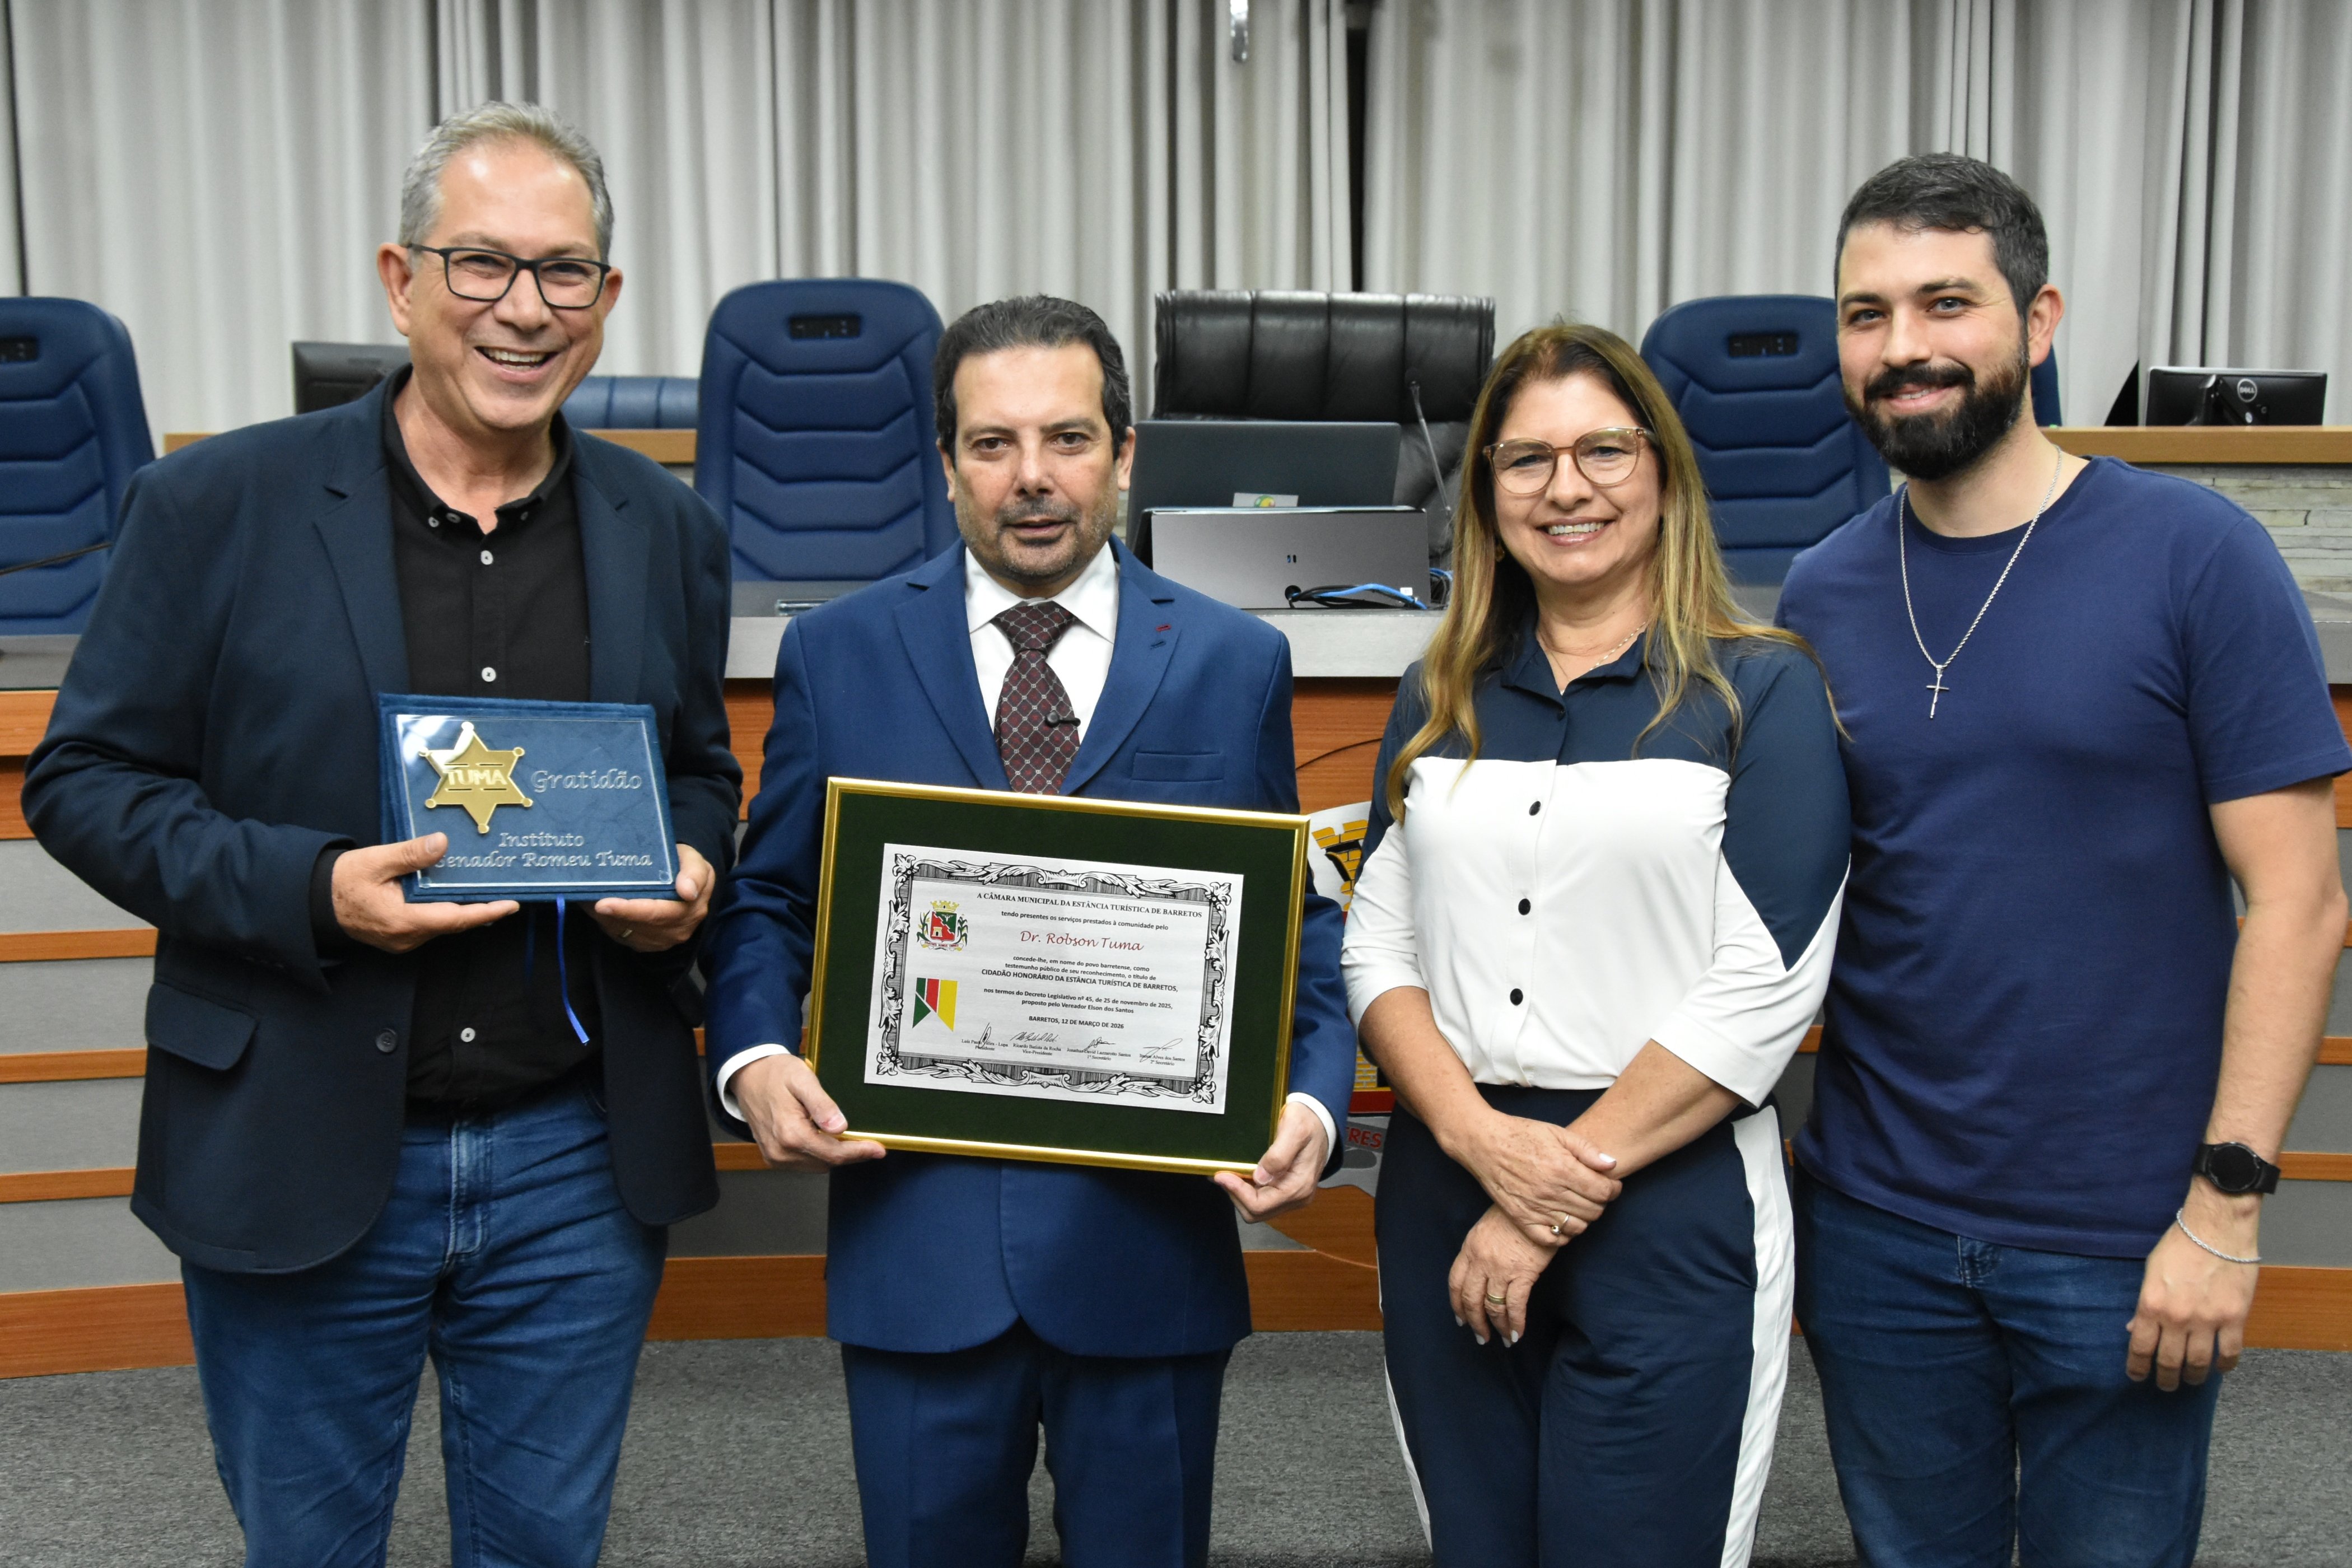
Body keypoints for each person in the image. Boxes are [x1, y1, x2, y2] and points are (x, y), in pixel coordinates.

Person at [23, 103, 739, 1567]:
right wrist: (309, 889)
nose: (524, 308)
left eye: (564, 271)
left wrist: (689, 864)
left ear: (607, 296)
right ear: (400, 281)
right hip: (298, 1130)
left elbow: (698, 769)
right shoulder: (216, 505)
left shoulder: (664, 527)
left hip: (573, 1158)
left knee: (545, 1550)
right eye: (482, 263)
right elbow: (82, 779)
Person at [701, 294, 1356, 1568]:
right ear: (948, 463)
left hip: (1148, 1255)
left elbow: (1294, 920)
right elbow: (772, 897)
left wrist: (1316, 1104)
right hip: (918, 1250)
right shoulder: (838, 652)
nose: (1032, 477)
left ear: (1125, 453)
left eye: (1067, 438)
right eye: (993, 443)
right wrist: (756, 1057)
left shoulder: (1233, 659)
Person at [1777, 153, 2350, 1567]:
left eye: (1945, 303)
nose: (1901, 346)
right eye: (1865, 313)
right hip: (1879, 1224)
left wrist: (2226, 1206)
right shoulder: (1821, 587)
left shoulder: (2197, 556)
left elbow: (2299, 900)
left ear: (2038, 322)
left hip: (2128, 1228)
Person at [1341, 321, 1850, 1566]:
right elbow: (1376, 947)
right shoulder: (1439, 693)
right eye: (1528, 460)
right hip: (1447, 1179)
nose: (1566, 488)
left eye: (1604, 451)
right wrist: (1480, 1144)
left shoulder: (1760, 691)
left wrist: (1538, 1202)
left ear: (1663, 471)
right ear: (1486, 493)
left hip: (1671, 1199)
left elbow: (1766, 986)